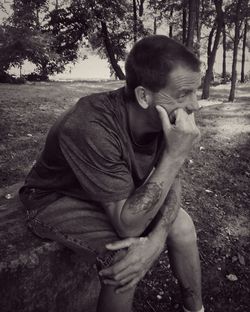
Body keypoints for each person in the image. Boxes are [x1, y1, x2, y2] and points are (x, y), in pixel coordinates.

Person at [19, 35, 204, 312]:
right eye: (183, 94)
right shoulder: (90, 124)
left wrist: (156, 241)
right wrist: (175, 154)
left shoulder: (165, 115)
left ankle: (196, 309)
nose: (195, 105)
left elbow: (172, 177)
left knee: (183, 225)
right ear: (144, 96)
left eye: (195, 91)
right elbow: (128, 225)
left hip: (109, 190)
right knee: (124, 258)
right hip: (53, 198)